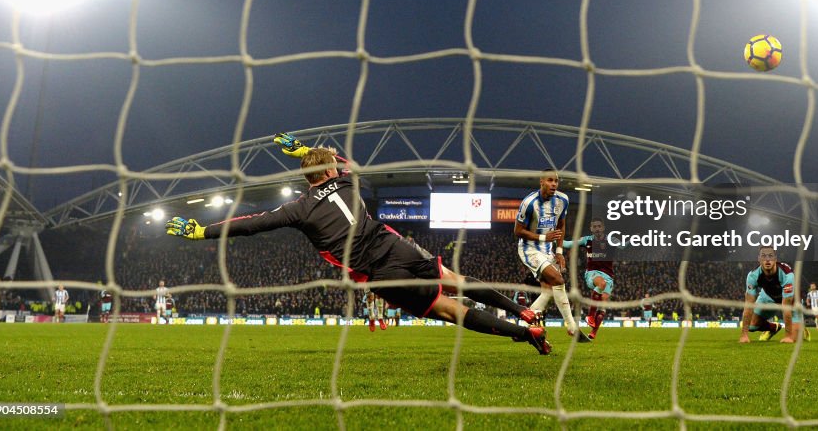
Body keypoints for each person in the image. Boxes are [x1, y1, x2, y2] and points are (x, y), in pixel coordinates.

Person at [167, 134, 550, 354]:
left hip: (380, 272)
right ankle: (522, 311)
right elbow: (341, 159)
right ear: (331, 171)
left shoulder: (297, 209)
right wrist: (303, 149)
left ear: (308, 179)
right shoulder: (348, 181)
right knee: (457, 280)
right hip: (395, 245)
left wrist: (203, 232)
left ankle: (525, 334)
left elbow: (250, 225)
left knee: (450, 311)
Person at [515, 168, 590, 342]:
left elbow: (561, 226)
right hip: (529, 249)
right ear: (541, 181)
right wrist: (543, 237)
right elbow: (518, 231)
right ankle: (573, 328)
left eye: (556, 181)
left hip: (548, 249)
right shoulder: (529, 203)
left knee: (548, 292)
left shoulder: (562, 200)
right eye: (550, 180)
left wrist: (559, 251)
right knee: (558, 280)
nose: (554, 184)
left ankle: (521, 329)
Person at [738, 246, 809, 344]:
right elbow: (748, 305)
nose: (767, 260)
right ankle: (774, 327)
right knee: (751, 325)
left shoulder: (787, 275)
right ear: (759, 259)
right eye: (764, 256)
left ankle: (800, 328)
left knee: (794, 339)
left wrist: (788, 336)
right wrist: (744, 335)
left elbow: (786, 306)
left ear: (775, 258)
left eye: (770, 256)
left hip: (792, 300)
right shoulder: (753, 276)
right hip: (768, 297)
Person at [563, 217, 614, 339]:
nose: (597, 229)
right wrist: (555, 239)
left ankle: (593, 333)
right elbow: (568, 244)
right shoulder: (587, 240)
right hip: (593, 273)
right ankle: (590, 316)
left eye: (599, 226)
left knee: (603, 306)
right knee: (601, 284)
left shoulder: (611, 239)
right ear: (591, 229)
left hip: (609, 276)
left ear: (603, 228)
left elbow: (623, 246)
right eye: (594, 227)